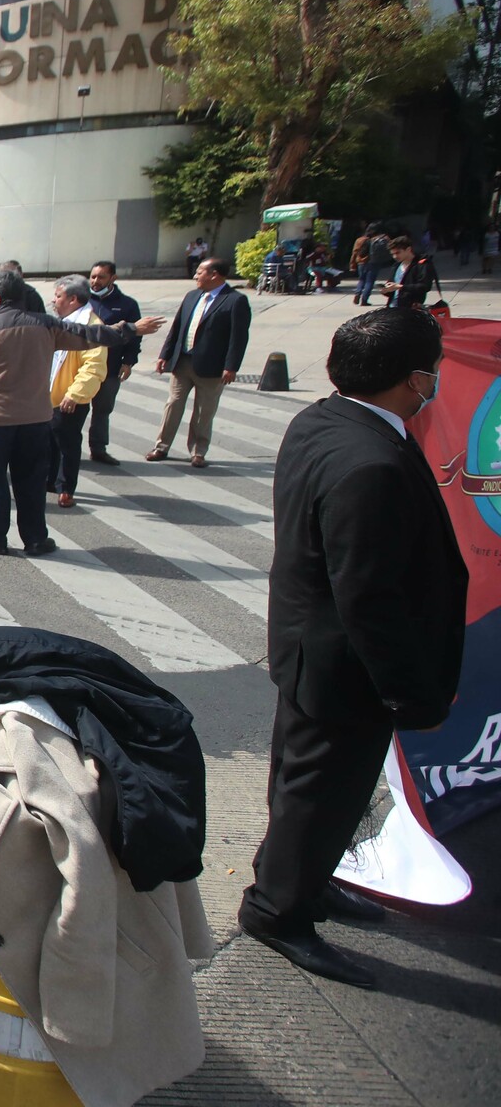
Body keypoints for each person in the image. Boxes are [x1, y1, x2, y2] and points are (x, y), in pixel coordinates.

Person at [243, 310, 466, 988]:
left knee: (315, 791)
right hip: (346, 670)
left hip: (312, 651)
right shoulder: (370, 463)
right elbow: (367, 597)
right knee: (318, 795)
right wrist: (411, 692)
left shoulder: (323, 420)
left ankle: (306, 883)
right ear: (415, 380)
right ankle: (277, 910)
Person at [0, 268, 163, 556]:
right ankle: (35, 540)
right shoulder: (47, 325)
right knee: (31, 481)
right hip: (36, 420)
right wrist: (130, 329)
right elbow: (90, 335)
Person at [148, 257, 251, 469]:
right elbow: (177, 328)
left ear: (214, 275)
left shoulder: (234, 300)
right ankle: (161, 446)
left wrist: (231, 366)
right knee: (173, 404)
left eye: (200, 272)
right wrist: (164, 355)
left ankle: (198, 451)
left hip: (212, 367)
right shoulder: (192, 296)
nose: (196, 276)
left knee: (204, 410)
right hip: (183, 361)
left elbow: (238, 338)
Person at [44, 276, 110, 509]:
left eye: (59, 296)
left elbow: (93, 367)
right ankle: (49, 481)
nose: (54, 300)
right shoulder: (60, 322)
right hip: (48, 394)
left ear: (73, 299)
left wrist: (75, 394)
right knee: (49, 440)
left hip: (69, 397)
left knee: (67, 443)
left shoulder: (91, 326)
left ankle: (66, 488)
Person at [84, 261, 141, 465]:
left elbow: (135, 336)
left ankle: (98, 449)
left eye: (101, 277)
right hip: (81, 367)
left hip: (110, 367)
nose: (95, 281)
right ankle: (66, 449)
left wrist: (129, 362)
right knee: (72, 410)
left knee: (102, 410)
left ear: (113, 278)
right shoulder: (82, 300)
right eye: (93, 277)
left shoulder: (127, 304)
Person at [381, 236, 438, 310]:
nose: (395, 256)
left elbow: (425, 286)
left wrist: (401, 287)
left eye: (398, 253)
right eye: (392, 254)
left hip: (411, 309)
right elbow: (393, 291)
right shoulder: (396, 266)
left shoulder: (421, 264)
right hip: (392, 308)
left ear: (408, 249)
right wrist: (386, 291)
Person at [355, 226, 394, 306]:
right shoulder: (382, 239)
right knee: (369, 281)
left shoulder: (362, 239)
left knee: (361, 279)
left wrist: (353, 263)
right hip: (374, 262)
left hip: (361, 262)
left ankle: (358, 293)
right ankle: (364, 300)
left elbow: (355, 252)